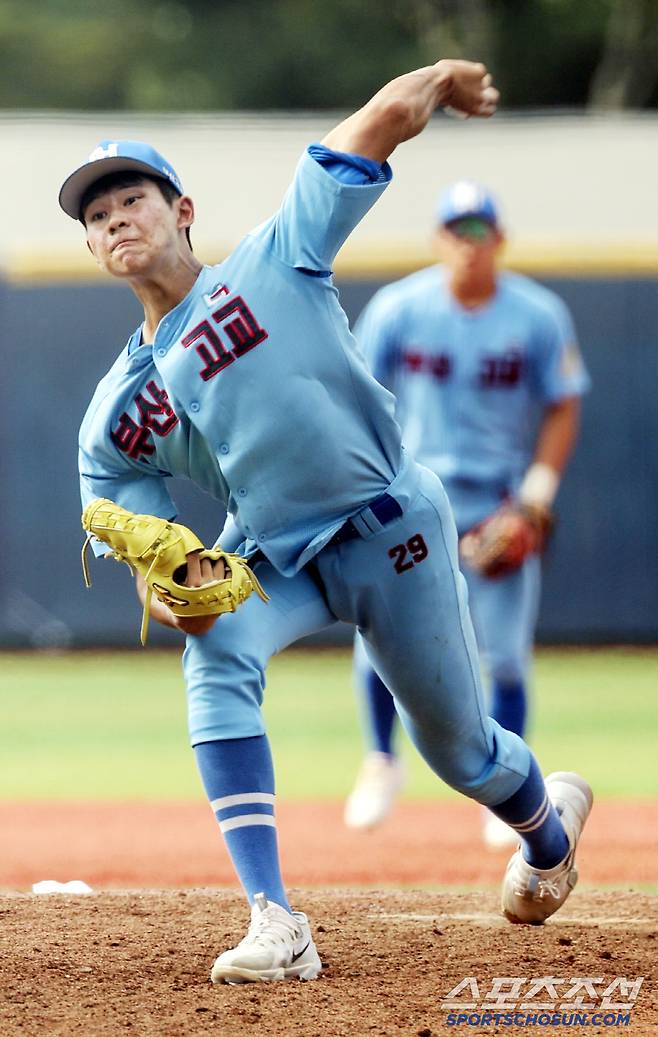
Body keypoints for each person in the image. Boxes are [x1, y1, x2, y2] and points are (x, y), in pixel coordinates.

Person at [60, 60, 592, 986]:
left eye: (131, 198)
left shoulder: (275, 258)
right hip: (276, 549)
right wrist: (175, 584)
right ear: (94, 247)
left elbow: (376, 123)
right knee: (215, 651)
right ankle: (276, 919)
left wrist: (437, 81)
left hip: (393, 530)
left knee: (460, 753)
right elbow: (128, 515)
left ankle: (549, 834)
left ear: (181, 209)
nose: (115, 219)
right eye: (96, 215)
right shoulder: (115, 413)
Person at [343, 182, 590, 848]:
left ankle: (505, 790)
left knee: (504, 656)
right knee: (382, 639)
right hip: (412, 501)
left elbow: (564, 401)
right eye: (457, 229)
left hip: (498, 503)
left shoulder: (538, 315)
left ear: (500, 239)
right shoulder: (400, 307)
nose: (468, 242)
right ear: (437, 238)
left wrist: (538, 494)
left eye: (480, 230)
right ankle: (380, 759)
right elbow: (357, 395)